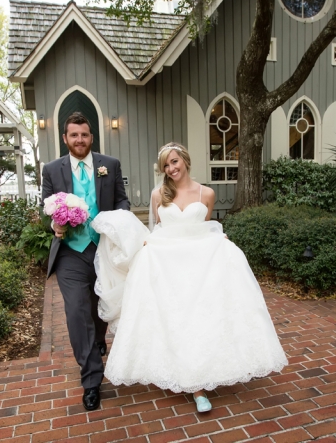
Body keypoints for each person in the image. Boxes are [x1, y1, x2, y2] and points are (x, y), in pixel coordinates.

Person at [94, 142, 287, 413]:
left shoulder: (206, 193)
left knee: (200, 319)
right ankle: (189, 380)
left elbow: (204, 228)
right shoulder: (158, 194)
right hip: (167, 266)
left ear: (185, 159)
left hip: (199, 267)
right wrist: (151, 244)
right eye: (166, 165)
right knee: (174, 318)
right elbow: (158, 228)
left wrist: (218, 238)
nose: (171, 168)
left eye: (174, 162)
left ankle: (201, 378)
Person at [41, 112, 130, 411]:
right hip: (70, 252)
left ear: (92, 138)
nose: (80, 140)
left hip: (102, 248)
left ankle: (98, 341)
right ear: (65, 138)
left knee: (99, 305)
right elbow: (46, 209)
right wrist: (55, 226)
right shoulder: (52, 170)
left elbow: (122, 201)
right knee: (78, 311)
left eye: (84, 135)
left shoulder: (110, 165)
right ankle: (92, 380)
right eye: (74, 135)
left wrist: (116, 222)